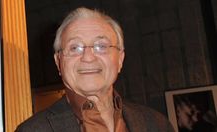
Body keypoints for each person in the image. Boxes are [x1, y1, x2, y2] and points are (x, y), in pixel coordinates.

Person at [16, 7, 174, 132]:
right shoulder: (31, 130)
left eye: (101, 46)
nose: (88, 57)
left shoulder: (157, 124)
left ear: (120, 59)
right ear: (58, 62)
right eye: (75, 47)